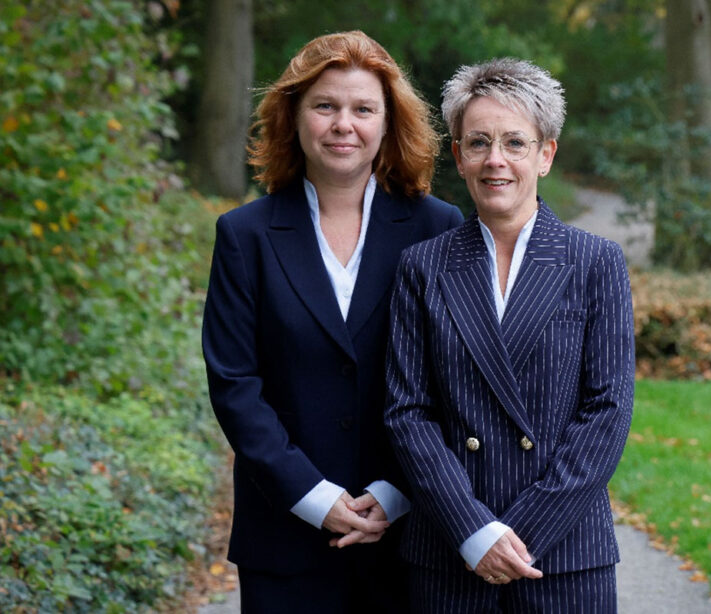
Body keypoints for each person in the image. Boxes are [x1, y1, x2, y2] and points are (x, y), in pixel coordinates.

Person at [201, 31, 463, 613]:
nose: (344, 124)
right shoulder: (245, 236)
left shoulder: (438, 228)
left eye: (363, 109)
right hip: (284, 536)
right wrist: (314, 497)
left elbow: (453, 379)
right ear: (294, 117)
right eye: (325, 106)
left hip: (410, 537)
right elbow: (234, 385)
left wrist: (395, 492)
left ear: (388, 123)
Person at [384, 58, 635, 613]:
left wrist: (520, 534)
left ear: (546, 155)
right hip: (451, 549)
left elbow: (608, 410)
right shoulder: (422, 267)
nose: (495, 159)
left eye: (515, 143)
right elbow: (408, 412)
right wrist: (475, 532)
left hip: (563, 553)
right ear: (458, 156)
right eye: (478, 143)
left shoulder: (595, 262)